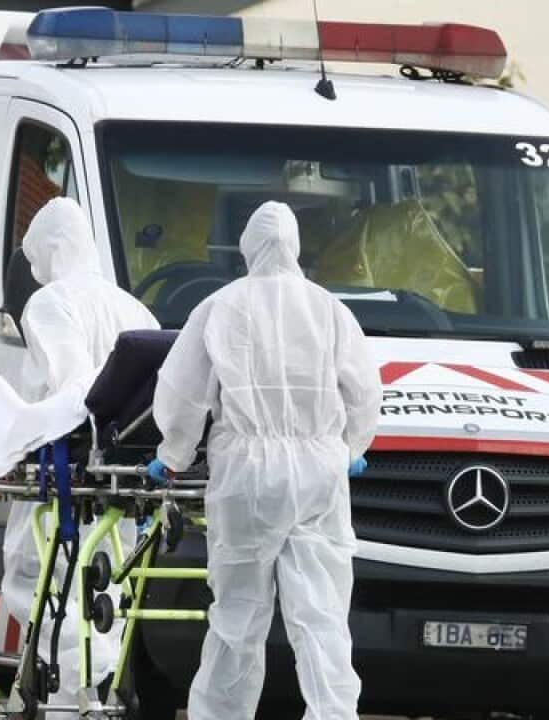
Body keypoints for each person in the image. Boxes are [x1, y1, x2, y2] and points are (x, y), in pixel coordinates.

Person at [147, 201, 381, 720]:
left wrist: (173, 454)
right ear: (296, 247)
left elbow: (184, 392)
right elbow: (365, 390)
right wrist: (352, 449)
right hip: (319, 473)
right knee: (321, 616)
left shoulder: (220, 306)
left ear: (248, 246)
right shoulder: (331, 310)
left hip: (247, 475)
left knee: (237, 616)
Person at [0, 197, 159, 717]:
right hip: (124, 478)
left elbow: (72, 388)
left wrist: (8, 433)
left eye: (38, 260)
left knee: (43, 583)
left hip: (68, 475)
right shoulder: (134, 308)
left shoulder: (48, 304)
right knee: (108, 592)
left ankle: (69, 703)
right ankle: (94, 692)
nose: (38, 274)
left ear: (51, 250)